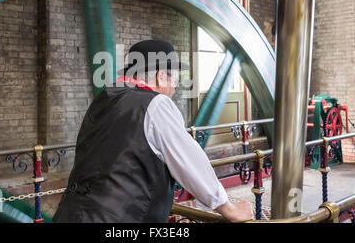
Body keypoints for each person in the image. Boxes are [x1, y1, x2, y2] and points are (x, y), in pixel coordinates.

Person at [52, 39, 253, 223]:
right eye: (174, 79)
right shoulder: (156, 104)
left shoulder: (104, 98)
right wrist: (229, 209)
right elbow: (190, 162)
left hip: (70, 214)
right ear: (160, 76)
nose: (174, 88)